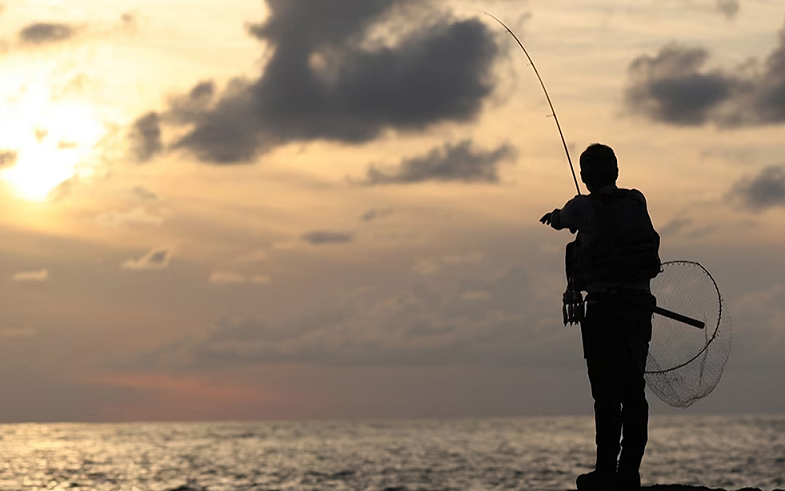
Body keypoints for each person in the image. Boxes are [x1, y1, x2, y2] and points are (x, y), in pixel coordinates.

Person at [540, 143, 661, 491]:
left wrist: (555, 216)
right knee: (634, 391)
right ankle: (630, 471)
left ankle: (607, 470)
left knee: (606, 393)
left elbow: (562, 220)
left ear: (585, 176)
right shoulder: (637, 201)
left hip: (605, 310)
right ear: (617, 172)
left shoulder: (582, 206)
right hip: (639, 307)